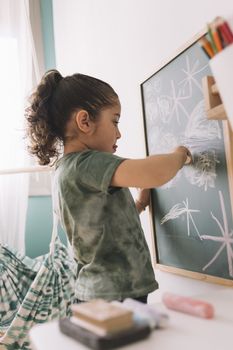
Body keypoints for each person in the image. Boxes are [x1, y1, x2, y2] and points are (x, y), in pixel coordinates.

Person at [25, 69, 192, 304]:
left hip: (100, 292)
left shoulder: (67, 170)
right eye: (114, 121)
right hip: (114, 293)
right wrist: (180, 154)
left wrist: (140, 204)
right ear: (85, 121)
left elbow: (101, 226)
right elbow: (155, 173)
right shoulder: (88, 163)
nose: (119, 133)